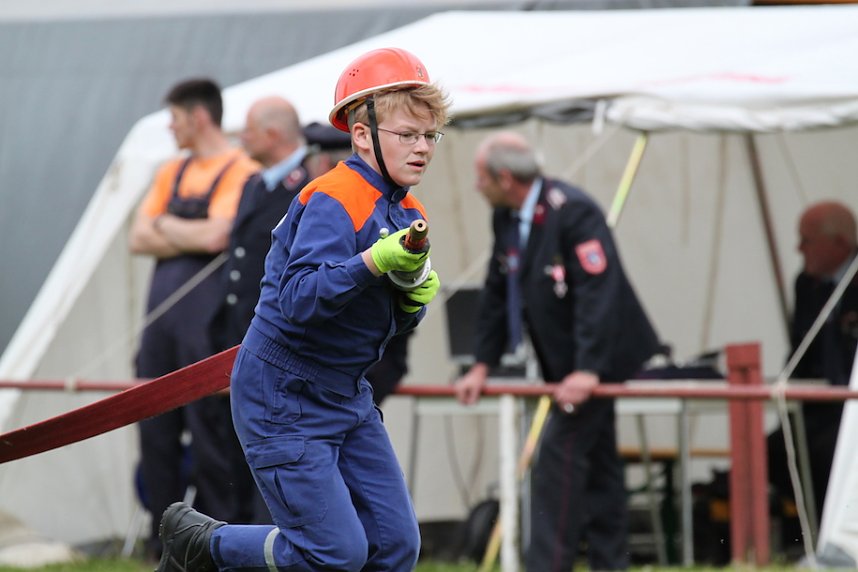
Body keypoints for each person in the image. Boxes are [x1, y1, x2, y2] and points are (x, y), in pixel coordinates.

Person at [155, 47, 450, 572]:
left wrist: (409, 301)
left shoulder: (409, 209)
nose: (422, 148)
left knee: (396, 547)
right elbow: (298, 302)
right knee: (336, 553)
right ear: (362, 136)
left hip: (346, 391)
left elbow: (387, 324)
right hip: (283, 395)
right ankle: (204, 546)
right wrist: (374, 263)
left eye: (430, 136)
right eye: (408, 135)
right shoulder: (333, 197)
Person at [454, 131, 661, 571]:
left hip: (603, 357)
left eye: (480, 178)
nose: (476, 187)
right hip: (568, 364)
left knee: (556, 460)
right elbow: (497, 290)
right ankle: (611, 563)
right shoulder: (506, 217)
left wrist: (588, 371)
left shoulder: (574, 211)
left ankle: (547, 565)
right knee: (601, 465)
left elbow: (597, 294)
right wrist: (481, 365)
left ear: (504, 177)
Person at [128, 77, 258, 557]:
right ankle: (160, 541)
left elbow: (217, 237)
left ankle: (214, 541)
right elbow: (136, 238)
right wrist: (179, 230)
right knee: (153, 426)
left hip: (206, 325)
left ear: (199, 116)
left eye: (176, 117)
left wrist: (162, 224)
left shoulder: (241, 170)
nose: (171, 126)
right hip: (159, 325)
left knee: (211, 431)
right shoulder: (170, 171)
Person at [768, 200, 858, 542]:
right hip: (819, 405)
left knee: (828, 452)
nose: (799, 248)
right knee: (776, 451)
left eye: (807, 239)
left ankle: (838, 538)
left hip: (850, 407)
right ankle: (817, 534)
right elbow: (800, 348)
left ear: (839, 243)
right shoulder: (807, 285)